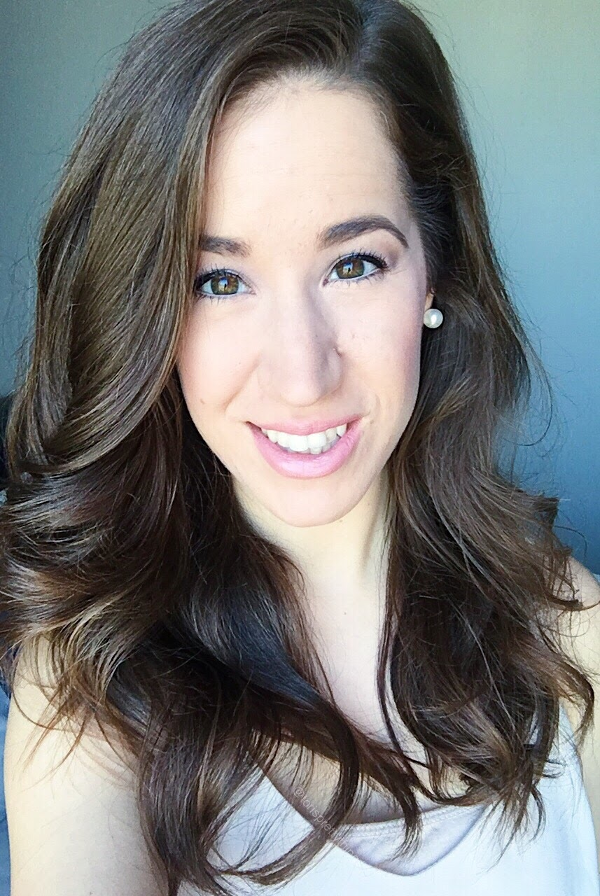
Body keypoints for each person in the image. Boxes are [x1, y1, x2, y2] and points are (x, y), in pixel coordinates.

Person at [0, 1, 598, 894]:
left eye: (354, 264)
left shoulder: (563, 630)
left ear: (434, 274)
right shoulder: (96, 683)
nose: (302, 375)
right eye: (218, 280)